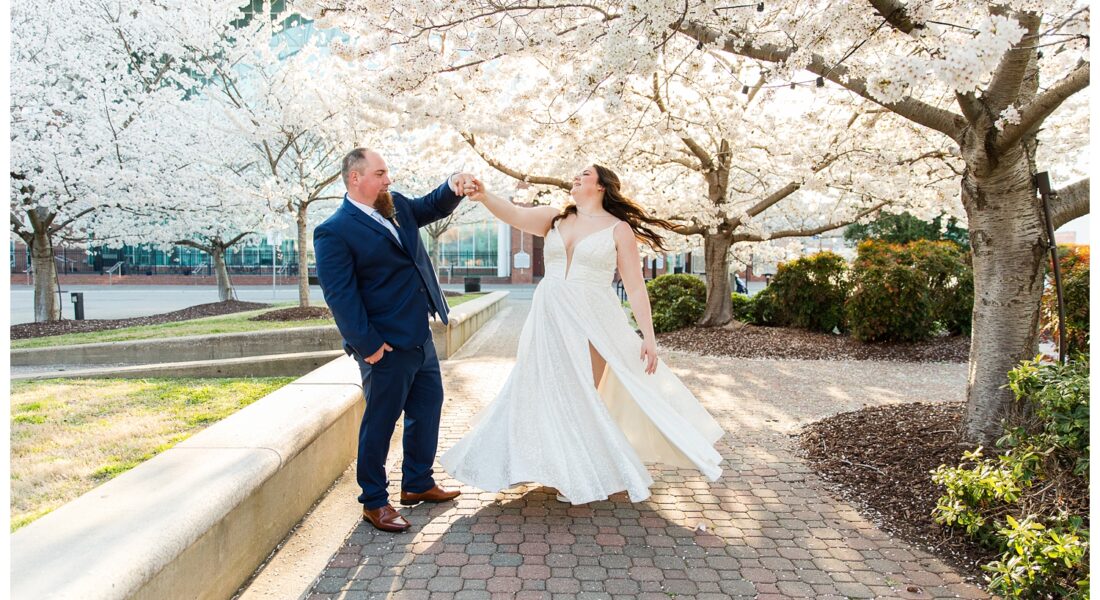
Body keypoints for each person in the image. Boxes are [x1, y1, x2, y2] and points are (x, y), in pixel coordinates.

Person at [440, 165, 725, 504]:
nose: (576, 177)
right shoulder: (555, 219)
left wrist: (648, 336)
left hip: (593, 317)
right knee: (537, 386)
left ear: (602, 186)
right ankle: (542, 463)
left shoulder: (619, 230)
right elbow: (515, 214)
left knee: (581, 393)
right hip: (548, 314)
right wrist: (485, 196)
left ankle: (579, 471)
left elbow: (634, 285)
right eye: (576, 174)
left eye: (585, 174)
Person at [313, 148, 479, 532]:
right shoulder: (333, 231)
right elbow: (340, 295)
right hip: (383, 347)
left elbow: (431, 206)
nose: (388, 179)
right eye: (380, 172)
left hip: (419, 335)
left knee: (428, 408)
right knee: (380, 423)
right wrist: (368, 345)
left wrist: (453, 184)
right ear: (356, 178)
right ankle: (374, 501)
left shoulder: (397, 205)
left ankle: (417, 483)